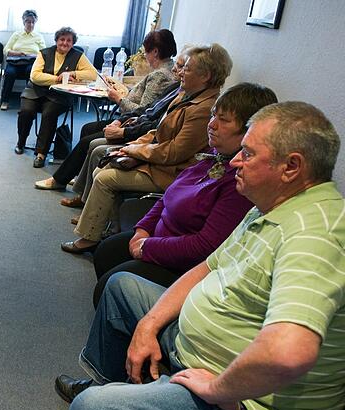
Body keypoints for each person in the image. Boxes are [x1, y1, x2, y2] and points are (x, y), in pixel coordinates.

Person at [57, 101, 345, 410]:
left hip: (247, 404)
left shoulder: (315, 234)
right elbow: (207, 268)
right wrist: (149, 324)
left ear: (291, 167)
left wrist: (217, 388)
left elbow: (288, 353)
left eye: (248, 154)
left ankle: (127, 399)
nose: (235, 160)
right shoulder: (269, 205)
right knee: (121, 286)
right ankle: (111, 384)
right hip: (201, 353)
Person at [89, 83, 277, 307]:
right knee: (106, 251)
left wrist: (148, 246)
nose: (212, 125)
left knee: (110, 285)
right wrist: (142, 230)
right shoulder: (214, 155)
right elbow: (168, 196)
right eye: (212, 116)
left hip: (182, 265)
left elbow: (205, 247)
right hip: (159, 238)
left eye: (223, 120)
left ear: (249, 130)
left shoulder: (240, 181)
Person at [61, 43, 232, 253]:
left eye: (186, 68)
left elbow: (174, 152)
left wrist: (134, 150)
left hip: (171, 171)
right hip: (157, 160)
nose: (179, 72)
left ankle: (90, 237)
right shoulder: (186, 95)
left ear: (205, 76)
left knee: (105, 177)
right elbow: (158, 130)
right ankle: (106, 227)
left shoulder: (203, 108)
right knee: (102, 165)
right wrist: (133, 145)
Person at [35, 45, 187, 193]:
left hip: (136, 128)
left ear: (154, 51)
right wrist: (119, 120)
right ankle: (80, 177)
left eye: (181, 67)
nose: (175, 69)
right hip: (131, 120)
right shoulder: (174, 87)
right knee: (88, 128)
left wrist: (120, 102)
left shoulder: (161, 76)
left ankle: (61, 180)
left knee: (89, 142)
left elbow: (149, 118)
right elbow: (146, 110)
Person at [15, 27, 98, 167]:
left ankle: (41, 153)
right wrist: (57, 79)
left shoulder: (78, 55)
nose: (65, 43)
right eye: (62, 39)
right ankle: (21, 142)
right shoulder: (44, 53)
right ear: (56, 40)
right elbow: (35, 76)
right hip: (36, 90)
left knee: (49, 114)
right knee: (26, 111)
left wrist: (74, 74)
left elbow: (93, 74)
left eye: (69, 40)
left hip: (59, 95)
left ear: (73, 43)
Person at [0, 9, 46, 111]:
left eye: (33, 22)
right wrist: (18, 53)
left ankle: (29, 103)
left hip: (31, 62)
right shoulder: (16, 34)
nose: (31, 24)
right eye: (28, 22)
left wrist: (34, 55)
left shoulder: (38, 36)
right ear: (24, 22)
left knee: (31, 73)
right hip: (15, 62)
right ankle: (5, 101)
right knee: (10, 73)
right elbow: (6, 50)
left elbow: (44, 54)